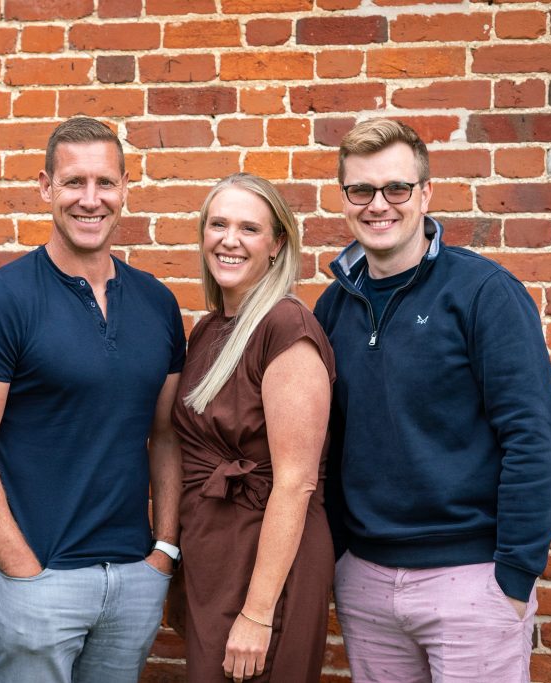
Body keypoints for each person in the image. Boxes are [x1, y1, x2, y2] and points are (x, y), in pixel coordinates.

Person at [314, 118, 551, 683]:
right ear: (345, 199)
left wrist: (514, 576)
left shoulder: (482, 293)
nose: (379, 205)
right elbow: (328, 442)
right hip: (366, 581)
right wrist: (340, 557)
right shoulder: (334, 306)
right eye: (361, 190)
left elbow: (533, 438)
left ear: (425, 194)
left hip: (471, 580)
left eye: (397, 188)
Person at [0, 116, 185, 683]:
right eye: (74, 182)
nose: (90, 199)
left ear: (125, 188)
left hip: (134, 574)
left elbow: (167, 435)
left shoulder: (157, 303)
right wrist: (20, 569)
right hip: (37, 580)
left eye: (105, 182)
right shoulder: (0, 301)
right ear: (46, 187)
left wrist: (164, 550)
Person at [171, 173, 335, 683]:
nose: (229, 240)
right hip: (213, 552)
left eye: (249, 228)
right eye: (218, 224)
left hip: (266, 562)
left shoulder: (286, 327)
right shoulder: (207, 330)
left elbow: (297, 481)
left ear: (277, 243)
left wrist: (258, 613)